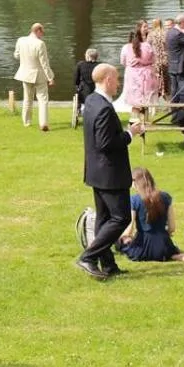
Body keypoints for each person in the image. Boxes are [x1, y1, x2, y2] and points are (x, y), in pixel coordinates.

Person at [76, 63, 145, 281]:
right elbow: (106, 143)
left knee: (104, 219)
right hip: (110, 174)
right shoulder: (104, 107)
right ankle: (88, 257)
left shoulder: (92, 101)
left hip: (97, 172)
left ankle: (108, 264)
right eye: (116, 79)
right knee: (121, 217)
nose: (118, 83)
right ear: (107, 80)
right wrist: (130, 134)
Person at [116, 167, 184, 263]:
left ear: (135, 182)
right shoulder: (166, 197)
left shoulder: (134, 200)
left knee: (120, 243)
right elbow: (172, 228)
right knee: (167, 249)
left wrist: (121, 237)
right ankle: (173, 255)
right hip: (164, 246)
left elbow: (129, 229)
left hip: (143, 247)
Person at [14, 22, 55, 131]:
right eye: (42, 32)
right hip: (39, 75)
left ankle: (26, 122)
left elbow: (16, 55)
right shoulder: (40, 44)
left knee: (27, 99)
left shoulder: (20, 40)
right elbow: (44, 63)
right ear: (37, 31)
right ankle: (43, 123)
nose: (43, 34)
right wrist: (50, 78)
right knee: (43, 99)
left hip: (25, 74)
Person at [120, 24, 158, 125]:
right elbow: (154, 59)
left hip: (132, 75)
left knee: (134, 99)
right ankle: (145, 120)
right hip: (146, 75)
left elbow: (123, 61)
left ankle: (133, 120)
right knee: (145, 98)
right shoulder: (147, 46)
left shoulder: (126, 47)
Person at [73, 48, 98, 117]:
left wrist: (77, 85)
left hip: (84, 93)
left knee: (78, 88)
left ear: (87, 56)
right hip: (97, 93)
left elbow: (76, 80)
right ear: (96, 56)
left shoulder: (80, 65)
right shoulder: (100, 66)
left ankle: (78, 109)